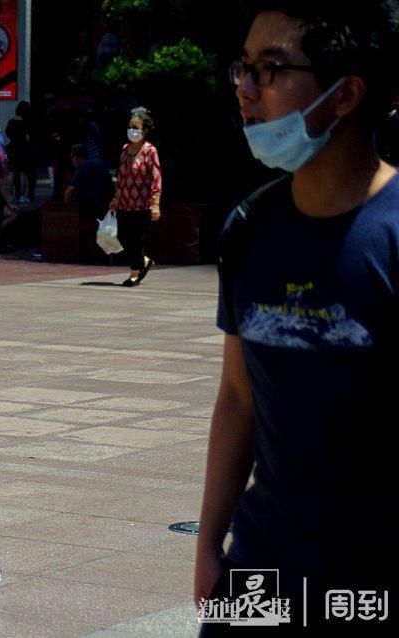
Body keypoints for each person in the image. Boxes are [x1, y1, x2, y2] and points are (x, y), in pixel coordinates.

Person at [195, 2, 399, 634]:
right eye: (243, 68)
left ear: (345, 95)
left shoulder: (392, 233)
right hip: (263, 561)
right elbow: (237, 396)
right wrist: (209, 543)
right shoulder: (249, 228)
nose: (246, 89)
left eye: (271, 68)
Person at [107, 107, 161, 287]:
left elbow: (156, 177)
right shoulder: (124, 149)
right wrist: (115, 198)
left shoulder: (150, 151)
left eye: (136, 127)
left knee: (136, 239)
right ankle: (144, 261)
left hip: (142, 203)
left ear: (145, 131)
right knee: (122, 236)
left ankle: (134, 273)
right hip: (124, 201)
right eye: (131, 126)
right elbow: (121, 176)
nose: (132, 130)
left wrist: (155, 203)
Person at [63, 143, 113, 213]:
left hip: (89, 208)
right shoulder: (100, 163)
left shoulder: (83, 166)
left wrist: (66, 211)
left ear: (75, 157)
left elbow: (69, 191)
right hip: (105, 206)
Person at [6, 101, 37, 203]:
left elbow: (8, 134)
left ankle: (9, 195)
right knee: (23, 173)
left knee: (11, 173)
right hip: (24, 149)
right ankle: (22, 196)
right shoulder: (27, 123)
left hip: (12, 148)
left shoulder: (11, 122)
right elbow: (28, 137)